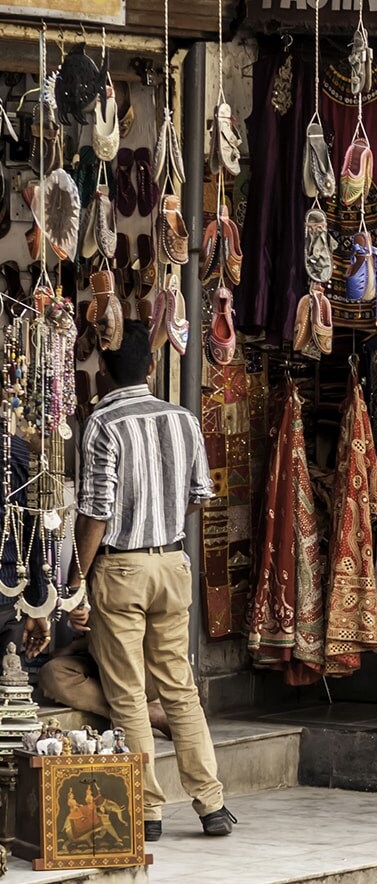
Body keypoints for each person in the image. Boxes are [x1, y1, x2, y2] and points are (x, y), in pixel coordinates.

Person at [72, 321, 232, 842]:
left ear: (103, 370)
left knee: (129, 694)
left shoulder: (103, 422)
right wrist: (160, 520)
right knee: (180, 689)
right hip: (172, 562)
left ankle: (148, 811)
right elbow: (198, 494)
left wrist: (76, 576)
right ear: (151, 365)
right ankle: (212, 804)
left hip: (121, 567)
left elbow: (95, 513)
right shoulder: (183, 420)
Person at [34, 614, 171, 738]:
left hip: (137, 665)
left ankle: (144, 715)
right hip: (97, 660)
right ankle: (147, 713)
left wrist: (75, 645)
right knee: (52, 673)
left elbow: (121, 631)